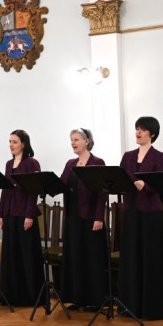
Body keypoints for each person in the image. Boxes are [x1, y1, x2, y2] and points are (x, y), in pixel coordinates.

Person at [118, 117, 163, 319]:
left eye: (142, 129)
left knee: (150, 256)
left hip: (150, 211)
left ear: (152, 133)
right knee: (132, 254)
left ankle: (152, 306)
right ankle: (130, 304)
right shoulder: (128, 156)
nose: (138, 132)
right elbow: (121, 176)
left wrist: (145, 185)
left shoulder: (159, 156)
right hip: (131, 209)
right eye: (136, 129)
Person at [60, 128, 107, 311]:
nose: (73, 142)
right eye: (71, 139)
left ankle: (95, 300)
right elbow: (63, 184)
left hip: (90, 217)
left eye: (76, 139)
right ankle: (77, 299)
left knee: (91, 258)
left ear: (87, 141)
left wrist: (99, 217)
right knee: (75, 257)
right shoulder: (70, 163)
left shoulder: (97, 162)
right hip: (73, 217)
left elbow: (101, 192)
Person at [0, 129, 43, 307]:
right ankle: (11, 295)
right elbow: (5, 189)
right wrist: (1, 213)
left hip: (25, 215)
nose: (11, 145)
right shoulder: (9, 164)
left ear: (23, 143)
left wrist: (29, 214)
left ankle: (30, 295)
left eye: (14, 142)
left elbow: (34, 190)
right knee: (11, 255)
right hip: (9, 215)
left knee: (26, 255)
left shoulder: (32, 163)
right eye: (9, 141)